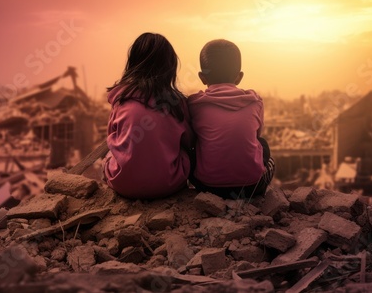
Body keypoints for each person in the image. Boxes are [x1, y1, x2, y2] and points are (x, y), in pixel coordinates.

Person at [103, 32, 194, 199]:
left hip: (124, 185)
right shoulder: (176, 103)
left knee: (109, 156)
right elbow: (188, 141)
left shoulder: (120, 99)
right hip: (169, 184)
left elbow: (112, 137)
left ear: (133, 64)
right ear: (170, 67)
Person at [187, 39, 275, 200]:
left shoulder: (194, 104)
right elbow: (255, 137)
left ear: (202, 77)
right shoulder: (254, 101)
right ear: (239, 77)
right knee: (263, 145)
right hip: (250, 188)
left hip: (206, 186)